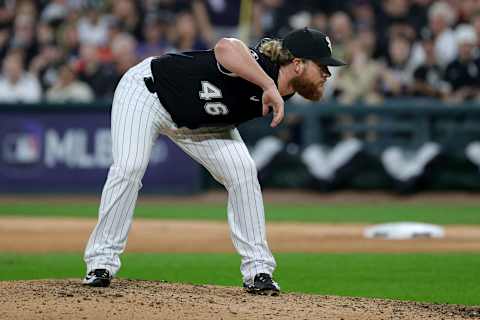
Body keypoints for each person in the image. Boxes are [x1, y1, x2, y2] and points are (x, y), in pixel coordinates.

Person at [82, 27, 345, 295]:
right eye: (322, 65)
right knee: (129, 167)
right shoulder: (263, 66)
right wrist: (267, 84)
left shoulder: (288, 88)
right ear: (298, 64)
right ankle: (100, 262)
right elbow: (225, 47)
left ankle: (259, 271)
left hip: (202, 125)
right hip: (148, 94)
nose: (328, 73)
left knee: (243, 172)